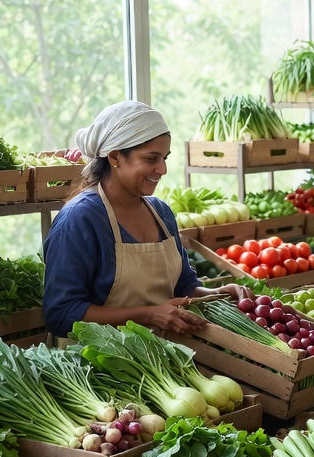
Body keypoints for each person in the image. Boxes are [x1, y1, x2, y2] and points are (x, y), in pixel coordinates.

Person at [43, 101, 249, 339]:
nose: (162, 169)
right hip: (98, 365)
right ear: (115, 157)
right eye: (151, 159)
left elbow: (184, 286)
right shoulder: (80, 219)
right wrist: (148, 315)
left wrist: (216, 293)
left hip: (164, 356)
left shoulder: (160, 213)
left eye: (165, 158)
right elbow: (61, 314)